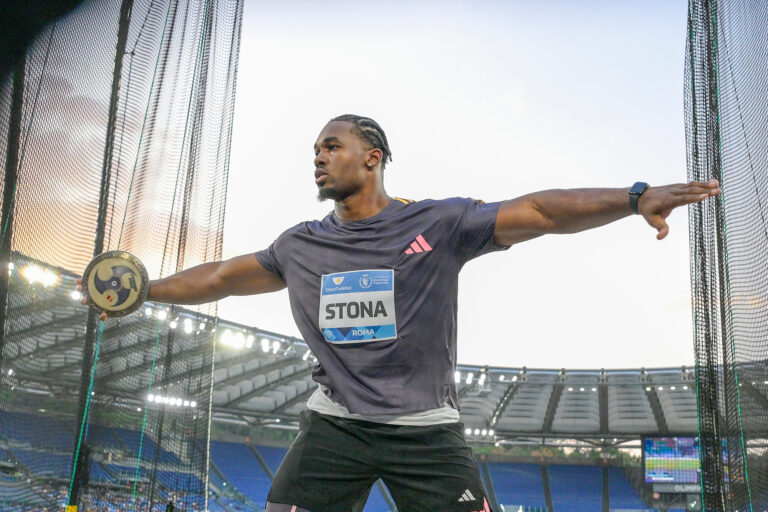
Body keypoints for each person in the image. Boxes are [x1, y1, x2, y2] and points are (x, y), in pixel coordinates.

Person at [80, 114, 720, 512]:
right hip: (335, 426)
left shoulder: (438, 223)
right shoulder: (300, 245)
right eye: (315, 150)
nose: (318, 157)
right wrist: (145, 291)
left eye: (332, 146)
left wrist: (633, 197)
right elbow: (221, 277)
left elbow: (541, 211)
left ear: (373, 157)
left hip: (426, 430)